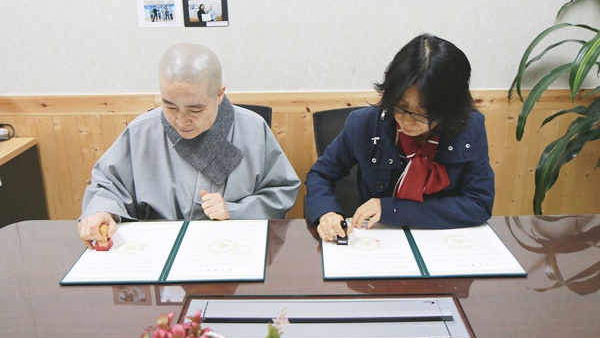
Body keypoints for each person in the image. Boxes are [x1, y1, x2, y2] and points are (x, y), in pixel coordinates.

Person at [78, 43, 301, 249]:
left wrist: (234, 211)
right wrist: (102, 212)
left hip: (233, 245)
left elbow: (280, 190)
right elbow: (107, 185)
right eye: (170, 106)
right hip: (159, 247)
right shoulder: (142, 131)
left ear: (219, 95)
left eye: (195, 110)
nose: (181, 121)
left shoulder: (253, 128)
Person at [305, 33, 495, 242]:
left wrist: (393, 209)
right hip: (379, 241)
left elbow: (478, 204)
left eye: (423, 112)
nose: (407, 120)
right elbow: (320, 174)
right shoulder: (365, 125)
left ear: (449, 108)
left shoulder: (469, 129)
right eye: (400, 106)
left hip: (443, 241)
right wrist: (327, 213)